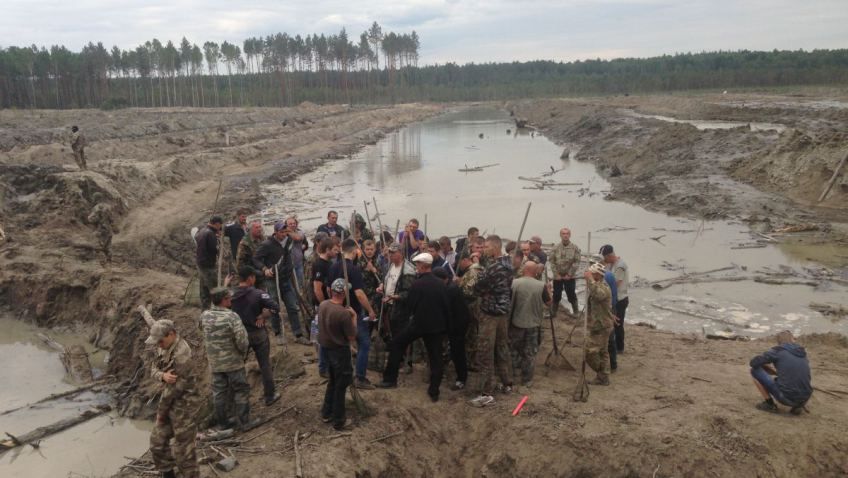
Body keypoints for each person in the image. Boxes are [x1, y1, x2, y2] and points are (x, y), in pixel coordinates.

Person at [377, 253, 450, 402]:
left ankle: (390, 379)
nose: (416, 268)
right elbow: (446, 307)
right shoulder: (441, 284)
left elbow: (410, 305)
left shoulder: (417, 284)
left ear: (422, 266)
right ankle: (434, 391)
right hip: (436, 326)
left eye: (417, 265)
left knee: (397, 344)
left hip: (418, 324)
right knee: (436, 358)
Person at [146, 319, 199, 478]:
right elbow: (153, 369)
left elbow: (173, 391)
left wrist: (161, 414)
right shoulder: (164, 346)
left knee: (184, 455)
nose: (158, 345)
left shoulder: (182, 355)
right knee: (157, 444)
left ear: (172, 334)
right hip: (170, 403)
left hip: (185, 406)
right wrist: (162, 375)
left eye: (160, 341)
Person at [200, 288, 256, 431]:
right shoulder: (232, 317)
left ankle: (223, 424)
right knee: (241, 389)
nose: (231, 300)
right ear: (224, 300)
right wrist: (242, 353)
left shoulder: (204, 315)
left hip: (215, 363)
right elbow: (242, 341)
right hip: (233, 362)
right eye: (229, 298)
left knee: (219, 393)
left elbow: (202, 331)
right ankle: (244, 422)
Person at [469, 235, 514, 407]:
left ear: (495, 248)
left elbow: (478, 287)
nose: (484, 249)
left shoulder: (494, 268)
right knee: (502, 347)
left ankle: (487, 392)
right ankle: (506, 382)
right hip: (503, 311)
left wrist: (481, 285)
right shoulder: (509, 264)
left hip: (490, 312)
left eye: (486, 246)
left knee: (485, 351)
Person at [329, 238, 378, 389]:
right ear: (356, 251)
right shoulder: (353, 269)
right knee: (364, 343)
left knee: (342, 343)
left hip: (336, 309)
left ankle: (341, 373)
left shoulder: (334, 266)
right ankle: (360, 378)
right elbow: (359, 293)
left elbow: (328, 289)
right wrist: (370, 311)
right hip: (352, 311)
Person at [231, 267, 282, 406]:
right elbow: (276, 307)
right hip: (258, 332)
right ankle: (269, 396)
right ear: (250, 278)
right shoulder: (258, 294)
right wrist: (264, 315)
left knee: (237, 366)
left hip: (240, 335)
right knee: (264, 364)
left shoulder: (230, 295)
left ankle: (239, 401)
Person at [252, 222, 310, 345]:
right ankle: (277, 333)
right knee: (274, 307)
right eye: (282, 232)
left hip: (286, 278)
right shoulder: (267, 245)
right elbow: (256, 258)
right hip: (273, 280)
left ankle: (298, 334)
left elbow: (297, 242)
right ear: (276, 232)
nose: (284, 234)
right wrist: (264, 269)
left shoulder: (288, 241)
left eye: (285, 232)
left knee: (292, 306)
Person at [318, 278, 358, 431]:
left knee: (333, 382)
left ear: (332, 291)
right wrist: (354, 317)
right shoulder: (343, 314)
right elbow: (352, 336)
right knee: (341, 385)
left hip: (326, 350)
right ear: (344, 293)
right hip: (339, 352)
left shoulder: (323, 305)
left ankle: (326, 412)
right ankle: (339, 420)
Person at [376, 243, 417, 374]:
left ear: (400, 253)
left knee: (403, 335)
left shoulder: (408, 271)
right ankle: (398, 359)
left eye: (393, 253)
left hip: (402, 309)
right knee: (393, 334)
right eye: (389, 253)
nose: (390, 255)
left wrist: (394, 297)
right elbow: (388, 280)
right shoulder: (390, 265)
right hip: (390, 306)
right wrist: (382, 286)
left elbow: (409, 293)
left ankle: (407, 363)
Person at [749, 331, 812, 414]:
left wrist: (766, 362)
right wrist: (774, 371)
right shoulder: (802, 353)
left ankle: (769, 404)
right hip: (805, 398)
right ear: (793, 339)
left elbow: (753, 363)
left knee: (754, 370)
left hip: (786, 397)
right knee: (795, 377)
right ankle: (798, 405)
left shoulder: (778, 351)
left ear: (779, 342)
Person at [509, 261, 551, 387]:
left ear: (524, 270)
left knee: (514, 350)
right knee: (530, 352)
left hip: (516, 322)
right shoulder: (541, 285)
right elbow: (549, 303)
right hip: (533, 324)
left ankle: (514, 373)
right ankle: (527, 379)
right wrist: (549, 290)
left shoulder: (514, 283)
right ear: (535, 272)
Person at [434, 267, 469, 390]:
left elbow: (445, 309)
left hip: (458, 325)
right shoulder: (448, 287)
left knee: (457, 351)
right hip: (455, 323)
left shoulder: (450, 290)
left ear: (444, 279)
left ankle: (461, 379)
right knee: (453, 350)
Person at [583, 262, 617, 386]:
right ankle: (603, 377)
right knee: (603, 351)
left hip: (602, 326)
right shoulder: (597, 285)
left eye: (592, 273)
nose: (589, 275)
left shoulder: (603, 287)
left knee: (589, 352)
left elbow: (598, 295)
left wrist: (590, 280)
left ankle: (602, 373)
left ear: (597, 275)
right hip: (600, 323)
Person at [458, 237, 485, 373]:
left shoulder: (473, 271)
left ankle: (472, 361)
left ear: (464, 261)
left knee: (472, 335)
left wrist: (459, 284)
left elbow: (469, 291)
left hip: (473, 308)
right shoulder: (471, 271)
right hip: (471, 308)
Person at [311, 237, 334, 377]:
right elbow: (317, 289)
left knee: (327, 335)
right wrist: (324, 305)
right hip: (321, 305)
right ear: (327, 250)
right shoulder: (320, 265)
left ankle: (326, 363)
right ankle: (323, 367)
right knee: (322, 336)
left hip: (326, 303)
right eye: (334, 249)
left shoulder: (328, 263)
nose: (336, 252)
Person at [600, 244, 629, 353]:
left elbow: (616, 283)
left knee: (618, 324)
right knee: (610, 323)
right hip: (612, 298)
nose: (604, 260)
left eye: (605, 258)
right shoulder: (609, 264)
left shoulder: (620, 265)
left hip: (620, 299)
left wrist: (601, 289)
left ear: (610, 255)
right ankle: (612, 344)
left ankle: (620, 348)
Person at [549, 227, 581, 316]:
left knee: (571, 294)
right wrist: (556, 274)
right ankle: (553, 312)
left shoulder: (575, 248)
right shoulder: (555, 248)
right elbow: (552, 261)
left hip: (570, 277)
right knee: (556, 294)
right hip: (558, 276)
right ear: (560, 235)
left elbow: (577, 262)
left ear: (570, 235)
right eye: (563, 233)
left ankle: (576, 312)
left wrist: (569, 274)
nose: (565, 235)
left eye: (567, 234)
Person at [195, 216, 223, 310]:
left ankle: (204, 311)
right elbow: (214, 249)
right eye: (220, 225)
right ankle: (216, 312)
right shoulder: (210, 234)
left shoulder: (202, 231)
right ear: (217, 224)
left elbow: (196, 238)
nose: (220, 228)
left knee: (204, 290)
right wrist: (218, 240)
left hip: (200, 264)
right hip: (208, 265)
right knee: (214, 290)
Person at [87, 192, 118, 263]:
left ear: (96, 198)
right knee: (108, 247)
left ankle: (102, 264)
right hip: (108, 230)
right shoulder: (109, 206)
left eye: (94, 198)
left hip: (100, 230)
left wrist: (88, 218)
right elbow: (112, 219)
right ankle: (109, 262)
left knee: (98, 246)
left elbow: (93, 219)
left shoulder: (97, 207)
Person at [286, 216, 309, 290]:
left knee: (300, 283)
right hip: (288, 264)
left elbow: (298, 238)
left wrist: (288, 231)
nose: (293, 225)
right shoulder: (283, 234)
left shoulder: (300, 232)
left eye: (294, 223)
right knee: (290, 285)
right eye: (290, 224)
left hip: (299, 262)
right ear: (286, 225)